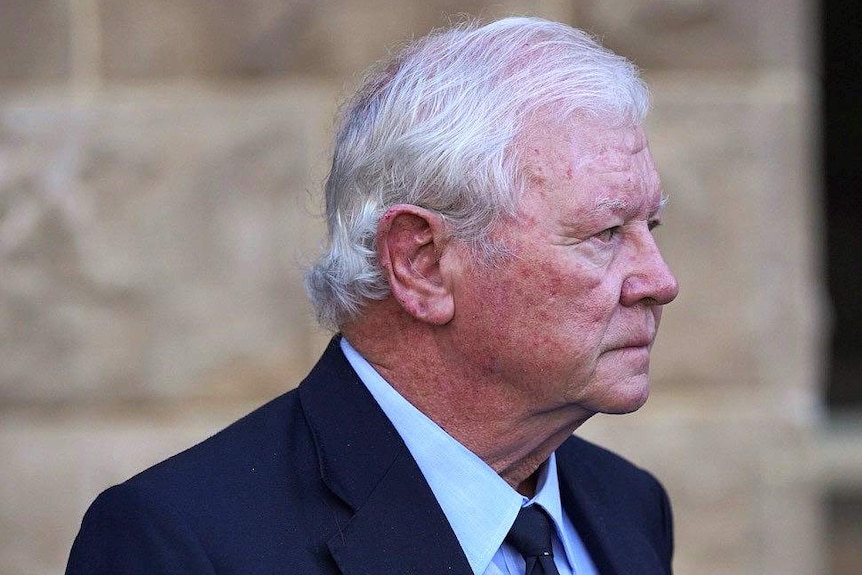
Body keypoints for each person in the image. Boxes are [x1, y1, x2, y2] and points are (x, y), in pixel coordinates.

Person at [67, 16, 678, 575]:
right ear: (422, 264)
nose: (660, 281)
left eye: (647, 229)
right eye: (604, 234)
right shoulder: (182, 544)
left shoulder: (627, 506)